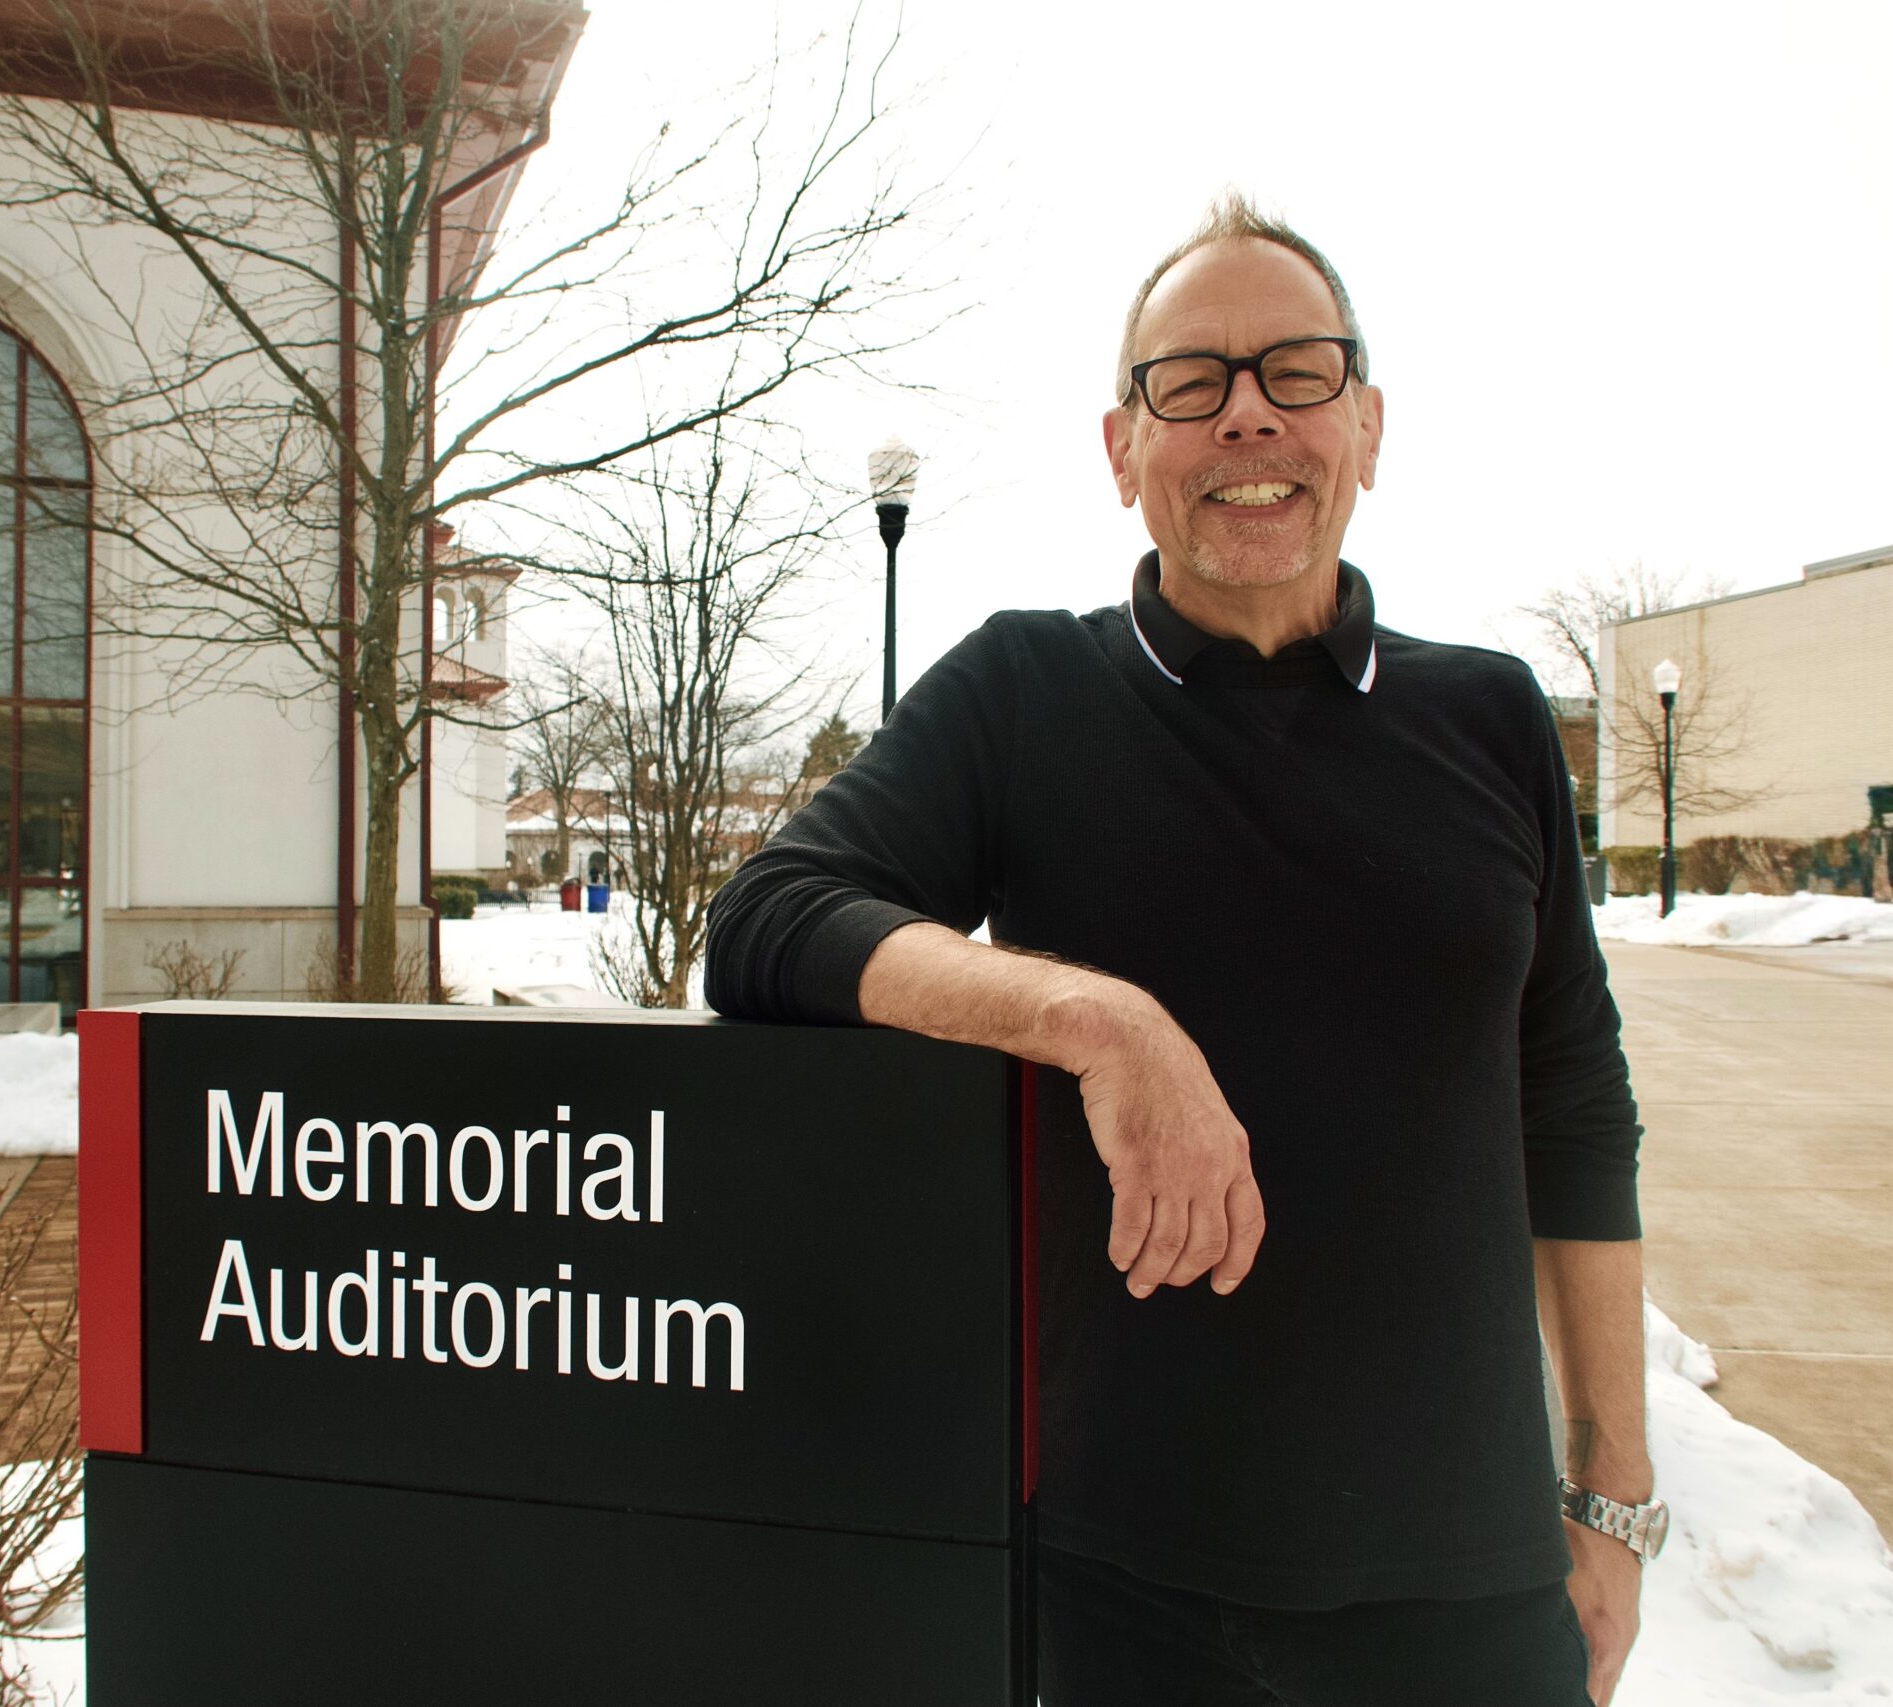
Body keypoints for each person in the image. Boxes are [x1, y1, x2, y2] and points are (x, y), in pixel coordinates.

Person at [703, 193, 1665, 1706]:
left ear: (1367, 427)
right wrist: (1099, 1021)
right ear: (1122, 448)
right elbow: (769, 923)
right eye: (1189, 382)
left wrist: (1611, 1497)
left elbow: (1574, 1104)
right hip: (1123, 1583)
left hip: (1470, 1585)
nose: (1247, 421)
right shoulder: (1028, 691)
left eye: (1298, 373)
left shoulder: (1489, 716)